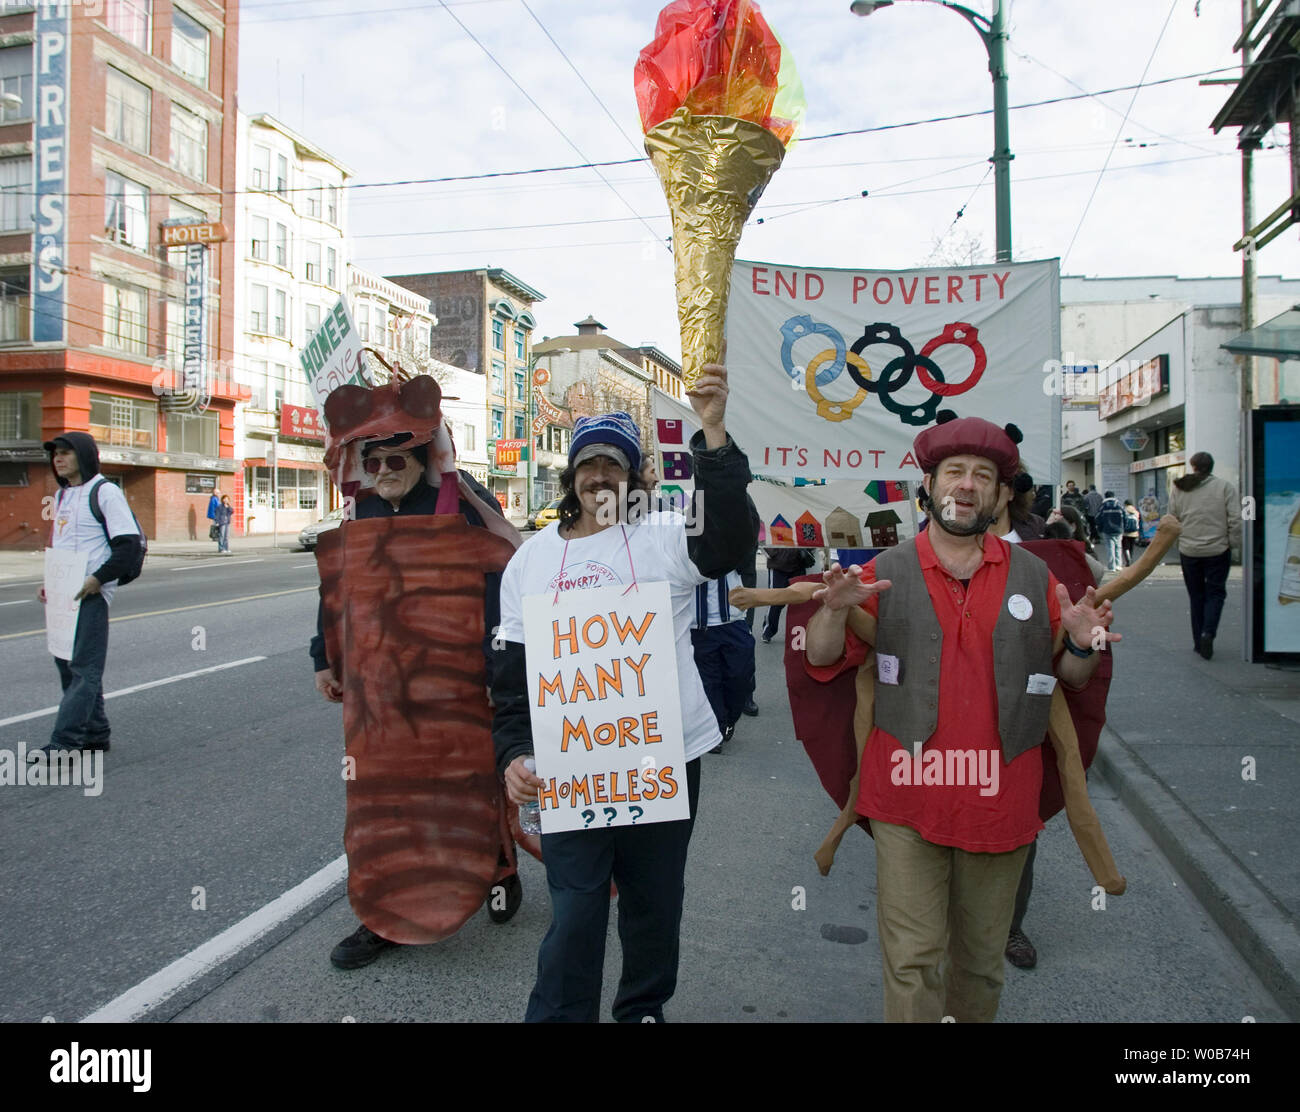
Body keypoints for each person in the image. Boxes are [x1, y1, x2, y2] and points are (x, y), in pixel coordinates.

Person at [804, 416, 1118, 1022]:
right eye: (955, 472)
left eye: (983, 476)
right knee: (912, 960)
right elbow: (821, 656)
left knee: (978, 964)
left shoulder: (1036, 577)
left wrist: (1082, 644)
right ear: (929, 486)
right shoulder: (882, 571)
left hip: (1001, 801)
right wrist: (834, 613)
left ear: (1001, 495)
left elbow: (1070, 682)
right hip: (905, 800)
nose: (968, 484)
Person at [492, 369, 754, 1023]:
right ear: (572, 477)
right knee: (576, 906)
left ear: (635, 477)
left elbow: (729, 538)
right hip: (571, 767)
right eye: (590, 464)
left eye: (615, 463)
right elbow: (509, 678)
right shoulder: (528, 562)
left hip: (662, 759)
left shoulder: (663, 535)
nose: (600, 475)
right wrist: (515, 753)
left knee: (653, 902)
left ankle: (642, 1007)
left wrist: (714, 434)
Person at [310, 429, 523, 969]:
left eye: (395, 460)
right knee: (384, 801)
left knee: (467, 786)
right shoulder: (361, 513)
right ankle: (384, 913)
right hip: (380, 691)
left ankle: (497, 866)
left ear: (421, 458)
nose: (383, 471)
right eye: (373, 462)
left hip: (455, 681)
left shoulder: (461, 505)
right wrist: (324, 657)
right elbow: (337, 590)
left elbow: (502, 580)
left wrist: (496, 668)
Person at [34, 433, 143, 759]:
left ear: (83, 455)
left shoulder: (105, 492)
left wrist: (99, 579)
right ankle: (96, 734)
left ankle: (65, 743)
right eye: (55, 454)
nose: (59, 459)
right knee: (67, 665)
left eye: (66, 453)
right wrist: (49, 583)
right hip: (63, 593)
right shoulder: (64, 495)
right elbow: (65, 545)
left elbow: (128, 545)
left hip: (89, 593)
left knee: (83, 669)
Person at [1167, 451, 1242, 660]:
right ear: (1212, 466)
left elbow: (1172, 517)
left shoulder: (1180, 488)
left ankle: (1198, 642)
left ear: (1193, 466)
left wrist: (1177, 542)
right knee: (1216, 593)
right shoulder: (1225, 487)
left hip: (1189, 550)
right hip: (1218, 549)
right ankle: (1208, 632)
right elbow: (1235, 518)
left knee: (1196, 595)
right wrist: (1234, 544)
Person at [691, 568, 757, 754]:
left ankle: (728, 718)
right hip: (697, 623)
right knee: (709, 682)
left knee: (741, 676)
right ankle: (716, 730)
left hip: (733, 618)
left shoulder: (731, 539)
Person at [761, 544, 815, 643]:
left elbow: (810, 536)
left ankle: (797, 635)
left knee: (799, 602)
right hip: (778, 566)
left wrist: (808, 551)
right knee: (775, 601)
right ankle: (768, 631)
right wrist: (772, 552)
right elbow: (763, 535)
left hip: (799, 564)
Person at [1095, 490, 1125, 572]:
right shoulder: (1119, 506)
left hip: (1107, 530)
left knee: (1110, 547)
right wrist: (1123, 528)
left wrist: (1100, 528)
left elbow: (1098, 518)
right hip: (1118, 530)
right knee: (1118, 547)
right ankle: (1119, 565)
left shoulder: (1103, 506)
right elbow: (1124, 517)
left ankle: (1112, 566)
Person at [1121, 500, 1141, 567]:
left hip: (1125, 532)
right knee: (1131, 547)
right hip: (1134, 532)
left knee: (1125, 547)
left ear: (1126, 504)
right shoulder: (1136, 512)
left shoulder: (1123, 511)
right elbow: (1138, 521)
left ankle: (1128, 560)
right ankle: (1131, 559)